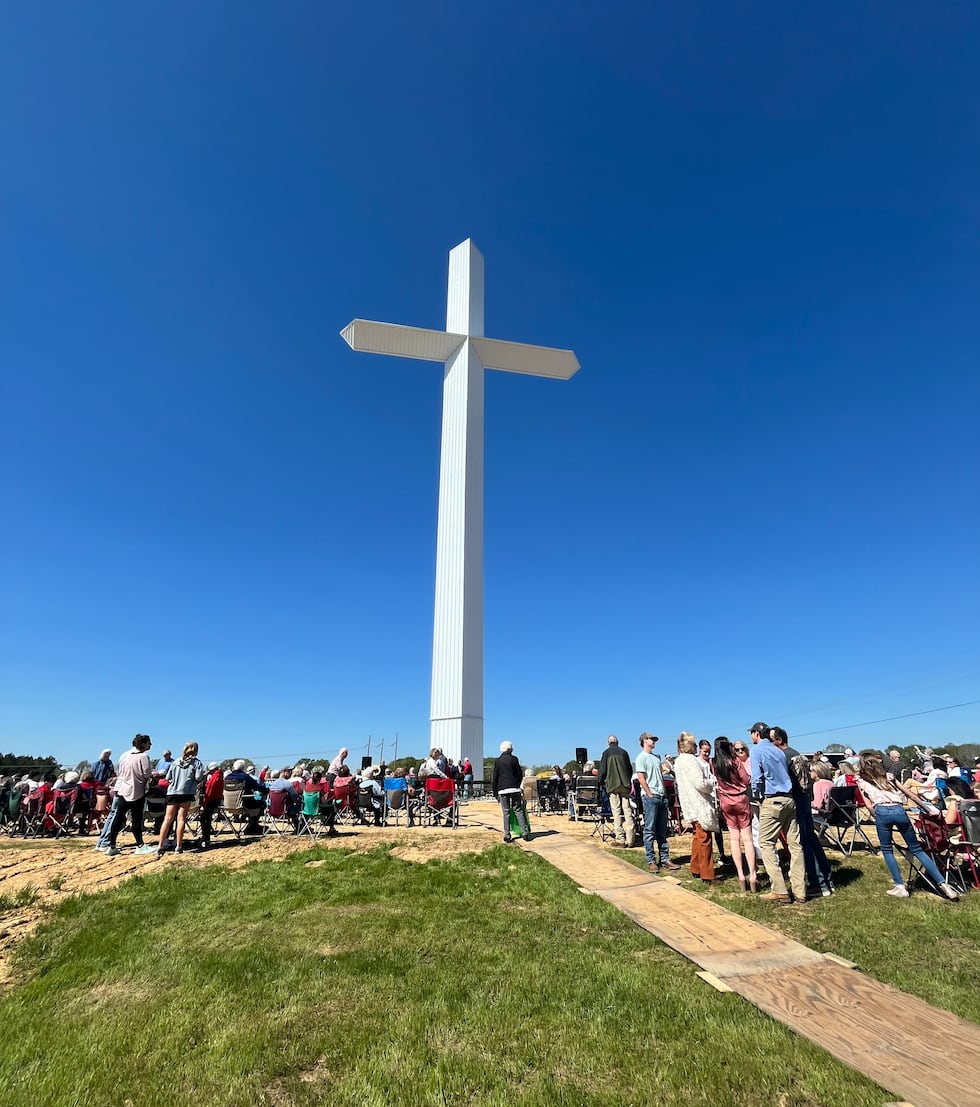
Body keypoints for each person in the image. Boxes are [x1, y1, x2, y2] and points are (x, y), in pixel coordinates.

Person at [855, 754, 959, 900]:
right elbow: (911, 795)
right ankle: (943, 884)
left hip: (882, 811)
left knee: (887, 849)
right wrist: (928, 809)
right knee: (916, 849)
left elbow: (868, 804)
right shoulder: (889, 777)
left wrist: (875, 815)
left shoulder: (862, 781)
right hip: (899, 810)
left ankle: (899, 885)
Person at [771, 726, 834, 898]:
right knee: (812, 840)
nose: (770, 744)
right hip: (805, 799)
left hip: (796, 801)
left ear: (779, 740)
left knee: (803, 843)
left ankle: (818, 884)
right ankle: (827, 881)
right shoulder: (797, 754)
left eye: (771, 740)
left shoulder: (784, 757)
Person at [749, 722, 805, 905]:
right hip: (789, 799)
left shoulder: (757, 750)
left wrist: (757, 795)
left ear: (756, 734)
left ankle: (779, 889)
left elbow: (757, 777)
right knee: (795, 845)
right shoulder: (779, 751)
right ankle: (800, 891)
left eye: (752, 733)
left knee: (765, 842)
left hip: (772, 799)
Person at [673, 732, 718, 884]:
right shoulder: (691, 761)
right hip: (698, 802)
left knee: (697, 837)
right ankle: (707, 874)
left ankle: (696, 867)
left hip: (688, 802)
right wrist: (712, 783)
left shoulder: (678, 761)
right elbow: (699, 782)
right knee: (705, 838)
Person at [713, 737, 756, 892]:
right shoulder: (735, 761)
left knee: (733, 839)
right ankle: (752, 875)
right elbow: (746, 780)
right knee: (748, 839)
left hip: (726, 801)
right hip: (741, 799)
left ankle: (740, 875)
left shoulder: (715, 764)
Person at [104, 735, 157, 856]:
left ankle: (112, 845)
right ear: (143, 744)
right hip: (137, 791)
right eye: (149, 743)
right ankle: (140, 845)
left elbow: (120, 772)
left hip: (123, 790)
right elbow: (147, 774)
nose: (150, 745)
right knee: (137, 819)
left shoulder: (125, 755)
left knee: (118, 817)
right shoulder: (143, 756)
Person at [635, 733, 678, 873]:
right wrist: (649, 793)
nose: (654, 742)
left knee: (662, 829)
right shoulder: (641, 758)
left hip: (661, 796)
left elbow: (659, 776)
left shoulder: (656, 758)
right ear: (644, 741)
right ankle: (651, 860)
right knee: (649, 829)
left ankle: (664, 858)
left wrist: (663, 794)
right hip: (651, 797)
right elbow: (641, 778)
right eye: (652, 739)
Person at [156, 742, 205, 855]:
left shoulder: (176, 761)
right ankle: (178, 846)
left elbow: (168, 778)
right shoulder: (197, 763)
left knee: (167, 819)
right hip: (186, 793)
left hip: (172, 792)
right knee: (181, 819)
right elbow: (198, 777)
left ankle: (160, 845)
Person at [598, 735, 636, 847]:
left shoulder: (606, 753)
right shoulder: (624, 752)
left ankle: (620, 838)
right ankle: (631, 839)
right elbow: (629, 769)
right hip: (625, 784)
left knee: (616, 811)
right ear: (617, 742)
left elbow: (603, 770)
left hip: (612, 785)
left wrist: (600, 781)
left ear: (608, 743)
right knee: (627, 810)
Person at [492, 741, 531, 843]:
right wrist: (517, 784)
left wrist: (495, 792)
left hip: (502, 789)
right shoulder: (514, 759)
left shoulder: (498, 761)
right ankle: (524, 832)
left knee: (506, 812)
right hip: (514, 788)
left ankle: (507, 835)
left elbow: (495, 777)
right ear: (509, 749)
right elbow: (519, 773)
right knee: (518, 810)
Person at [224, 759, 268, 834]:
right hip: (242, 804)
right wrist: (266, 790)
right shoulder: (245, 777)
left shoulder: (227, 777)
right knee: (261, 803)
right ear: (243, 768)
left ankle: (252, 825)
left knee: (253, 801)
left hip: (227, 806)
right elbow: (257, 786)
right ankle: (253, 825)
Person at [199, 761, 224, 848]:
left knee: (204, 818)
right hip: (215, 800)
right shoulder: (218, 775)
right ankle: (206, 838)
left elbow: (210, 791)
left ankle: (205, 838)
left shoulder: (215, 777)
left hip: (212, 800)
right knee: (206, 818)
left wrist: (204, 803)